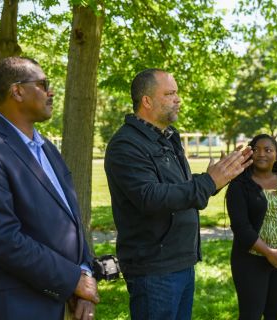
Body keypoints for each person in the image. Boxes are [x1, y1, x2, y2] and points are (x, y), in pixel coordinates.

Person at [0, 57, 99, 320]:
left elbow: (71, 220)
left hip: (66, 302)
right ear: (17, 91)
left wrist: (84, 275)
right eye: (44, 84)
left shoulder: (48, 149)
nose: (51, 91)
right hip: (19, 306)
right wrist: (72, 280)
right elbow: (1, 239)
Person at [104, 68, 253, 320]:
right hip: (154, 269)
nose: (178, 99)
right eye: (170, 93)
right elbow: (150, 197)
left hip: (181, 261)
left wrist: (216, 179)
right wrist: (208, 182)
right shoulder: (126, 144)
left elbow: (177, 189)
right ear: (147, 101)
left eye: (177, 93)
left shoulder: (168, 138)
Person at [226, 134, 277, 320]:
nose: (261, 154)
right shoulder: (239, 185)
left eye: (268, 150)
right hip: (250, 260)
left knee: (276, 315)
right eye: (256, 149)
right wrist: (269, 252)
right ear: (249, 154)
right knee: (250, 315)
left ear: (276, 155)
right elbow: (241, 228)